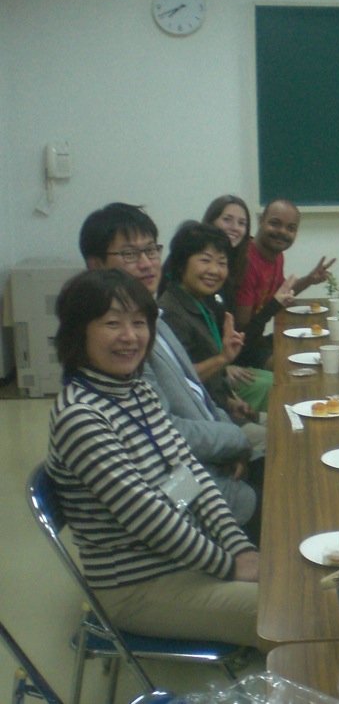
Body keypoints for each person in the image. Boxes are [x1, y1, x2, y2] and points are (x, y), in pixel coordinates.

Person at [47, 268, 260, 649]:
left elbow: (192, 474)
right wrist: (230, 565)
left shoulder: (138, 391)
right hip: (139, 588)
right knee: (290, 613)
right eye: (112, 323)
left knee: (299, 583)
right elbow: (148, 516)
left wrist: (240, 548)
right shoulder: (81, 416)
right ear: (79, 331)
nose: (130, 337)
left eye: (139, 323)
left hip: (187, 559)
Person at [79, 203, 261, 536]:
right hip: (187, 491)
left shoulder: (152, 319)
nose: (147, 263)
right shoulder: (120, 345)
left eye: (150, 250)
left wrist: (230, 438)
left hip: (209, 456)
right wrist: (235, 440)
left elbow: (197, 393)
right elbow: (165, 433)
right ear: (97, 265)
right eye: (131, 254)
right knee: (284, 492)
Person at [159, 221, 272, 415]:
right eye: (205, 260)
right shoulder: (171, 312)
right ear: (180, 263)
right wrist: (223, 359)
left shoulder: (201, 302)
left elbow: (214, 383)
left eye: (222, 263)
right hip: (201, 419)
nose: (214, 270)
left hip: (222, 409)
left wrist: (233, 403)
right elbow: (178, 379)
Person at [233, 198, 335, 368]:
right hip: (239, 349)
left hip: (255, 340)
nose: (282, 232)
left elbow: (282, 293)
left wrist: (309, 279)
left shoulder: (276, 255)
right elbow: (243, 331)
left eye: (291, 228)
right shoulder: (247, 262)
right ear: (260, 221)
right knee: (295, 366)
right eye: (275, 223)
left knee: (317, 342)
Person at [202, 195, 273, 413]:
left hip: (231, 354)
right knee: (275, 383)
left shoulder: (236, 263)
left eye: (242, 223)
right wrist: (224, 365)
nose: (235, 228)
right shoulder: (203, 273)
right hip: (214, 368)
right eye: (227, 220)